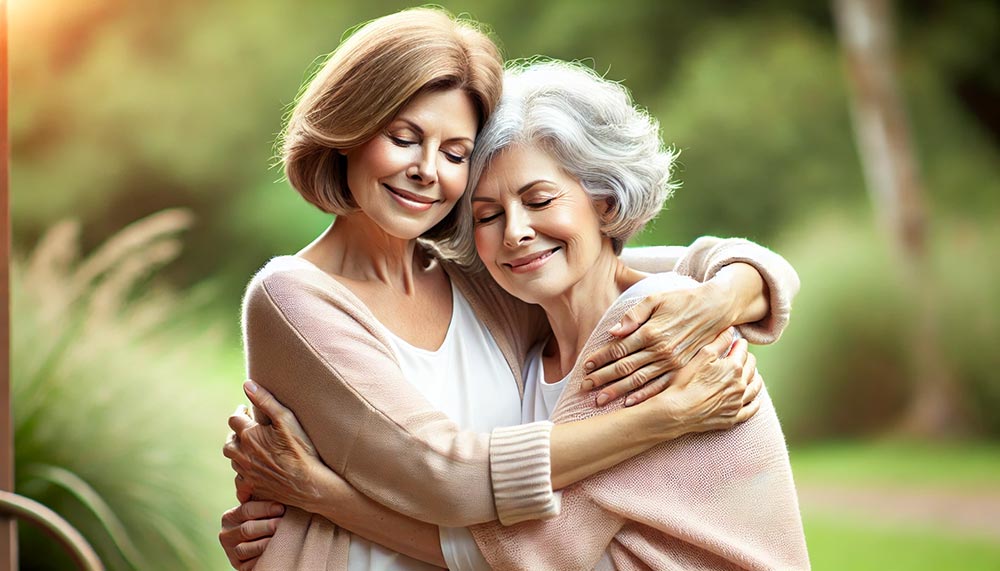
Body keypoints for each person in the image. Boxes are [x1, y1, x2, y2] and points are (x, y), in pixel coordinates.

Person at [221, 9, 801, 571]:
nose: (428, 169)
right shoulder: (297, 297)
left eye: (455, 154)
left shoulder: (508, 291)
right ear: (349, 130)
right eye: (403, 138)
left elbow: (605, 265)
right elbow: (443, 472)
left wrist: (727, 292)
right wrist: (667, 412)